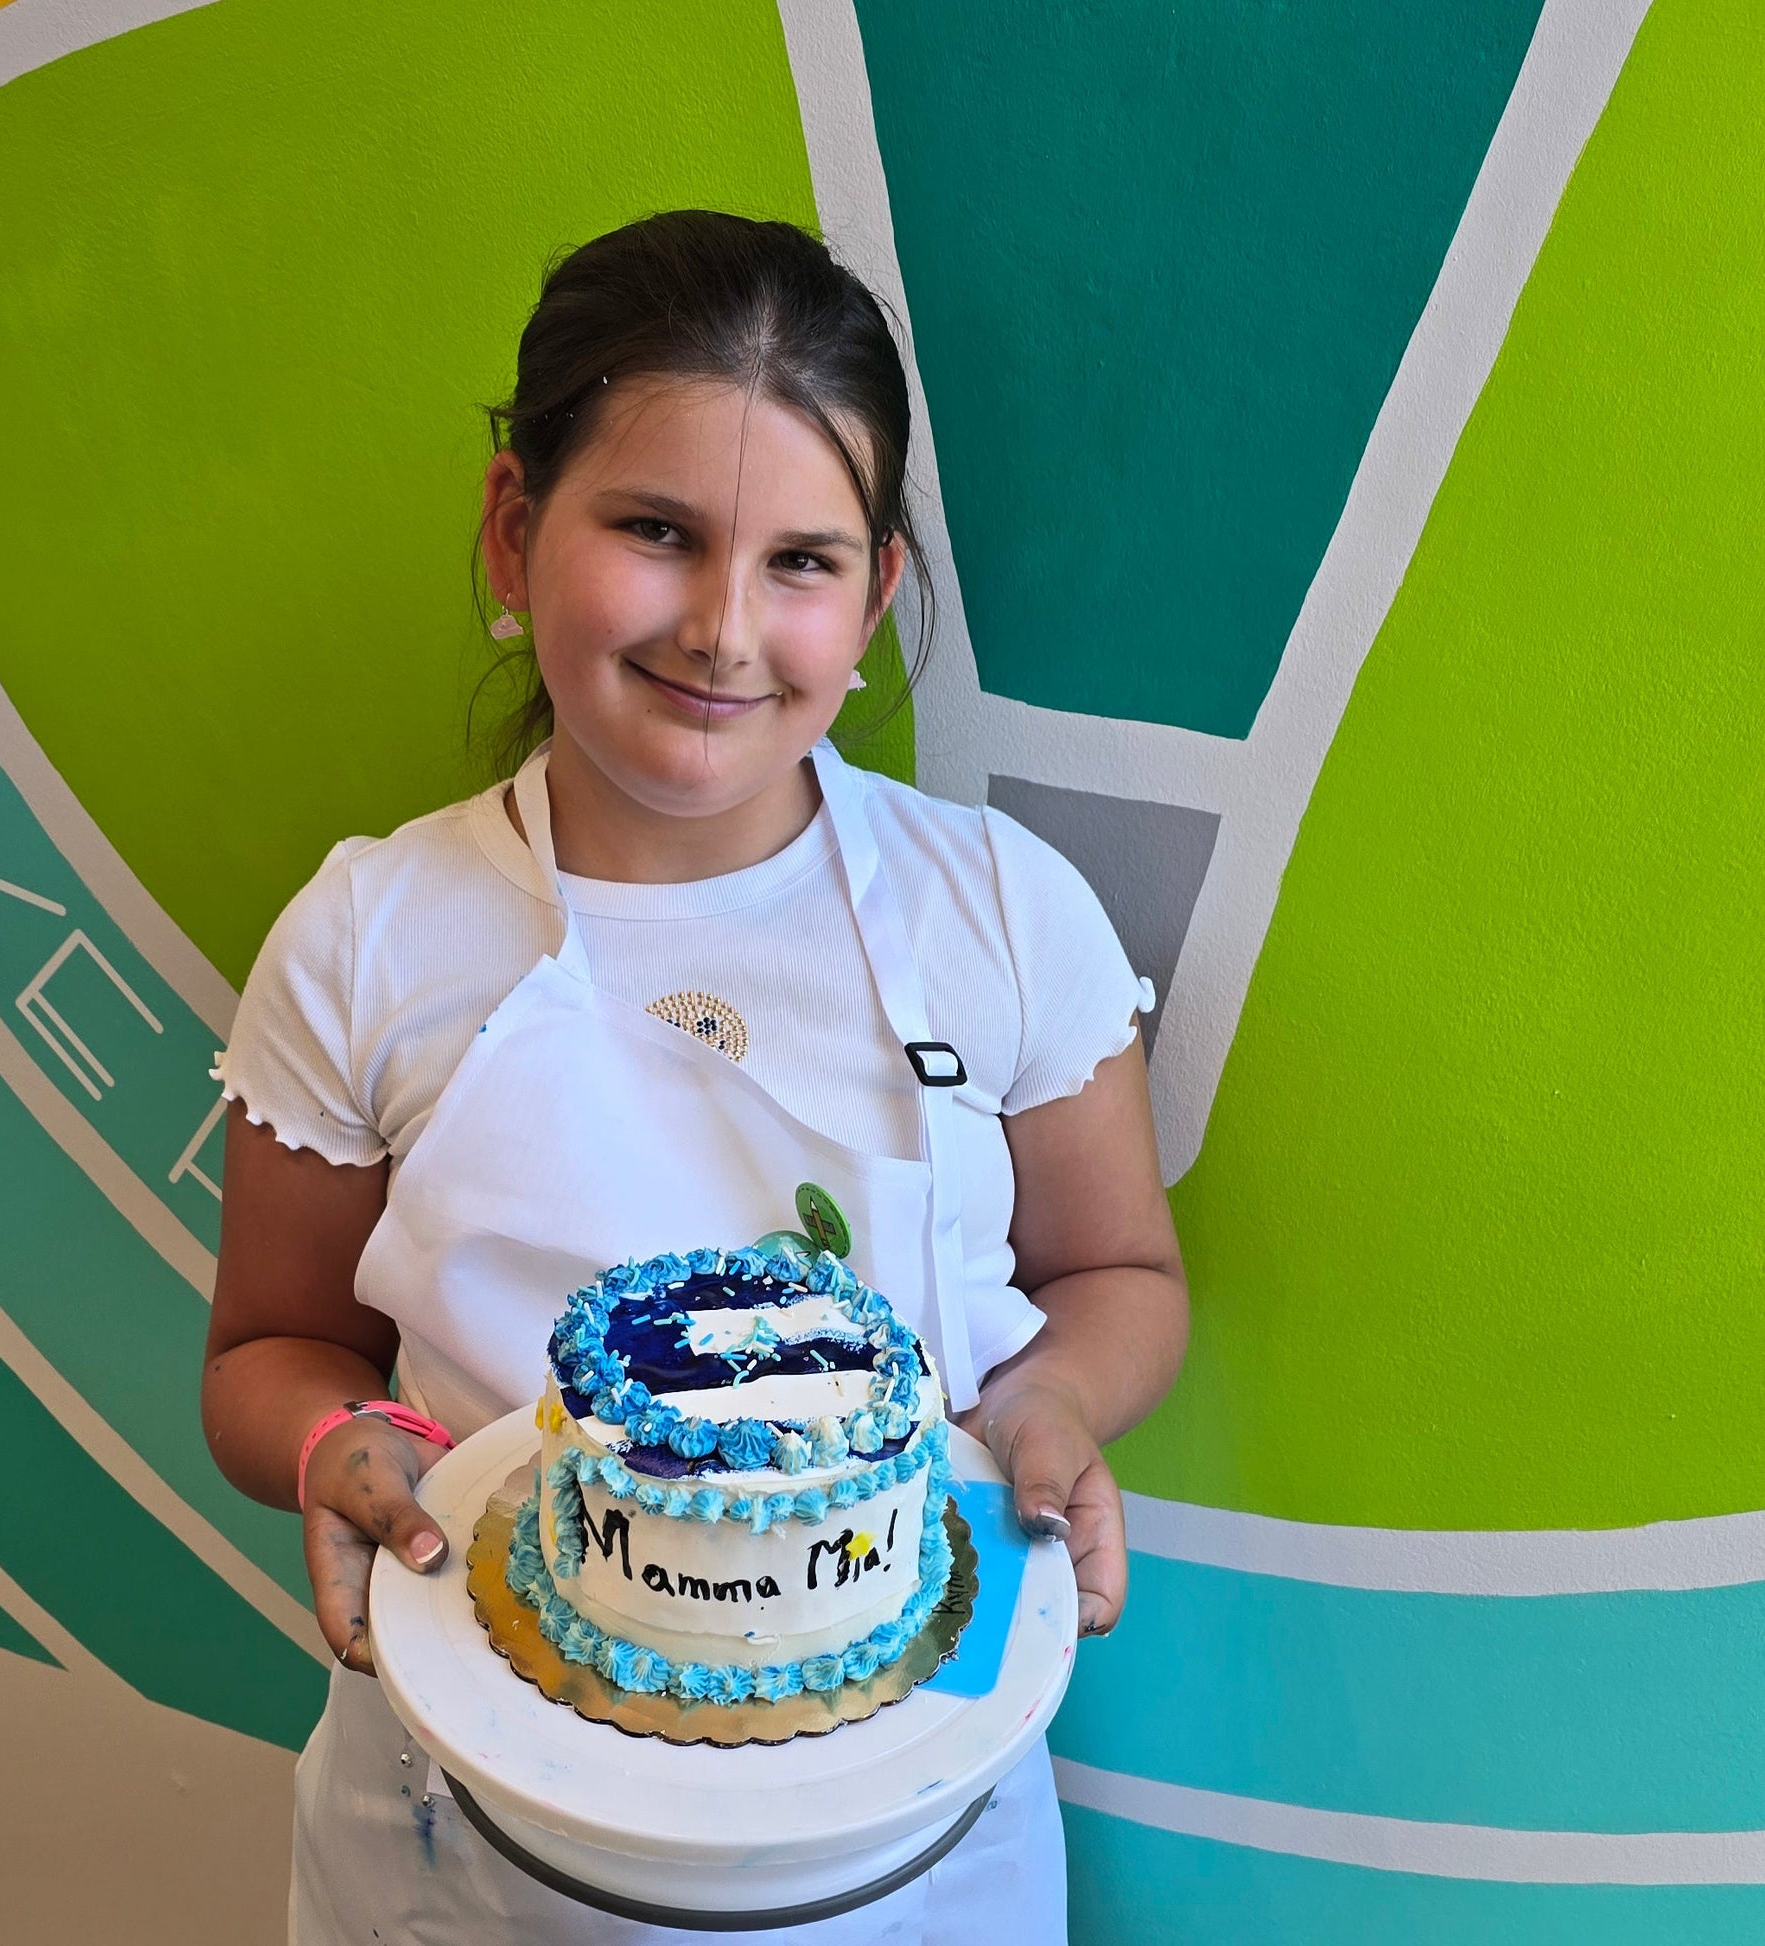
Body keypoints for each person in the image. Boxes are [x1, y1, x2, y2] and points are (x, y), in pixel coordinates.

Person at [202, 208, 1188, 1945]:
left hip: (913, 1836)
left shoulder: (997, 911)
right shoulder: (371, 936)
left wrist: (1050, 1403)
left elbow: (1119, 1270)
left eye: (801, 560)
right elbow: (267, 1350)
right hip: (464, 1846)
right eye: (657, 532)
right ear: (515, 530)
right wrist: (335, 1440)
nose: (725, 629)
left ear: (875, 592)